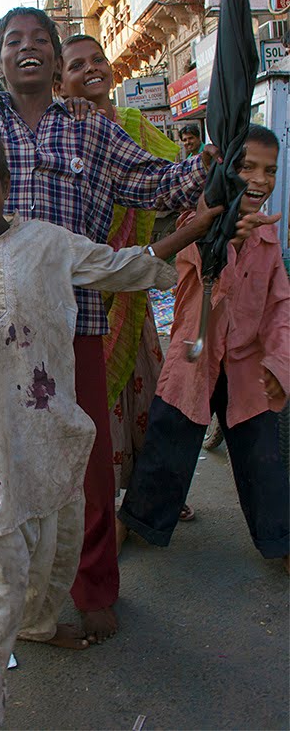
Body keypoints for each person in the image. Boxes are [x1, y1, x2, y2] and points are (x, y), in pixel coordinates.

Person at [0, 0, 215, 642]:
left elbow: (156, 183)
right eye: (13, 41)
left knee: (85, 468)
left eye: (40, 38)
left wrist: (215, 162)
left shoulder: (94, 129)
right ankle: (18, 602)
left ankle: (93, 587)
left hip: (74, 327)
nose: (27, 47)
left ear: (58, 62)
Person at [0, 118, 223, 730]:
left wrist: (190, 231)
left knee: (52, 552)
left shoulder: (50, 242)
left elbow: (121, 266)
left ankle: (34, 626)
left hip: (52, 432)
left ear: (5, 184)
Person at [118, 126, 289, 571]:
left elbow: (279, 306)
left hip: (247, 365)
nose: (260, 179)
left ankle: (280, 538)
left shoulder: (270, 239)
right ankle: (137, 521)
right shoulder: (196, 227)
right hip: (194, 359)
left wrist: (278, 361)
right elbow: (200, 275)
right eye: (247, 167)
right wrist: (228, 238)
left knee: (263, 459)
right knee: (166, 448)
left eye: (269, 170)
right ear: (225, 170)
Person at [55, 34, 195, 534]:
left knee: (148, 395)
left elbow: (173, 178)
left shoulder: (135, 125)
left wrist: (188, 234)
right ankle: (103, 507)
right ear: (60, 78)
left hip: (133, 287)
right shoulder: (61, 129)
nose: (91, 69)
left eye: (97, 60)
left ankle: (150, 495)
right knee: (98, 404)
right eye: (76, 65)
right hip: (85, 287)